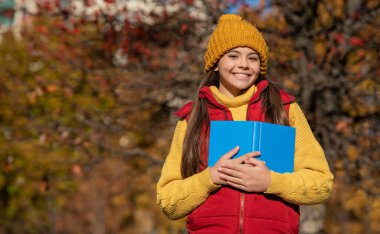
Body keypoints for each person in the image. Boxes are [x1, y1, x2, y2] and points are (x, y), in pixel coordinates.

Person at [156, 14, 334, 233]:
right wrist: (210, 177)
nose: (243, 65)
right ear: (215, 64)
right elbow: (167, 202)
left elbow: (322, 184)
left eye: (253, 58)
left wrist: (271, 182)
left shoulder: (285, 110)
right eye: (233, 55)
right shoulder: (192, 118)